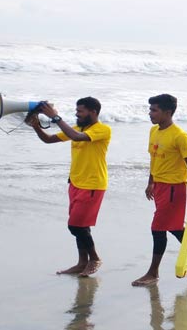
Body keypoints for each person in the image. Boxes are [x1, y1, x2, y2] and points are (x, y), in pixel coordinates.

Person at [28, 97, 111, 277]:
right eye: (76, 110)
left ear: (93, 112)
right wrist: (36, 125)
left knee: (75, 226)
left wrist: (55, 117)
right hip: (75, 183)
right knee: (81, 225)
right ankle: (82, 263)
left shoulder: (102, 129)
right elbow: (49, 140)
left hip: (93, 184)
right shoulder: (76, 128)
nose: (77, 114)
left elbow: (77, 137)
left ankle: (94, 259)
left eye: (80, 111)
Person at [132, 94, 187, 287]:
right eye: (150, 110)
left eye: (154, 110)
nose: (150, 113)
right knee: (172, 226)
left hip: (174, 189)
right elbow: (154, 158)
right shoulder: (153, 131)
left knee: (157, 228)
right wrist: (151, 182)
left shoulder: (180, 136)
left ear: (168, 112)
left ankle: (152, 272)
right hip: (160, 186)